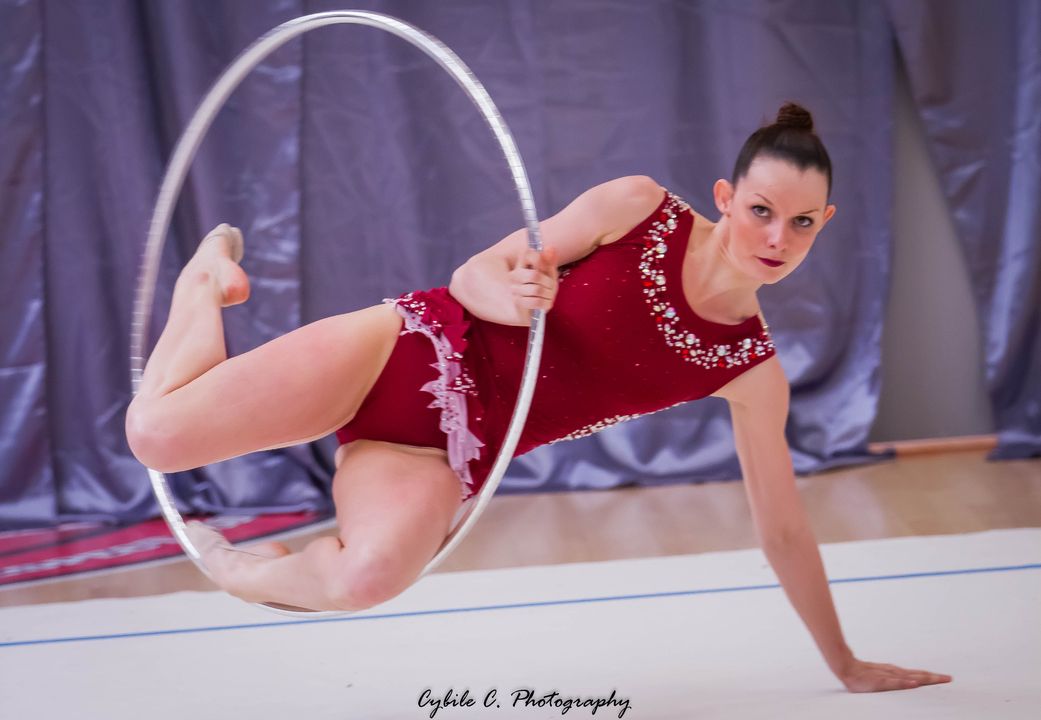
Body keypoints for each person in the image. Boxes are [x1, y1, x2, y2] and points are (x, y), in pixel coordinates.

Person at [125, 102, 951, 692]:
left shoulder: (749, 368)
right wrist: (513, 295)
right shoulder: (638, 208)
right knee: (156, 436)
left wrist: (844, 664)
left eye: (800, 224)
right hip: (401, 350)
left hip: (437, 451)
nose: (775, 239)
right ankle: (203, 283)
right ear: (726, 197)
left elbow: (783, 529)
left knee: (368, 579)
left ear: (824, 222)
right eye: (761, 210)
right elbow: (472, 275)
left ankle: (242, 573)